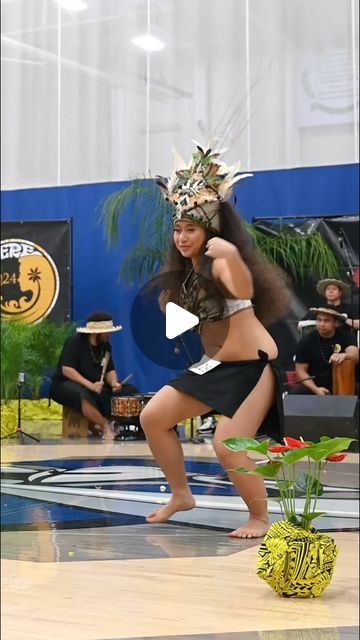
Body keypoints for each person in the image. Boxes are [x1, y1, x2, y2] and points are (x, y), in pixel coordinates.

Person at [140, 143, 292, 538]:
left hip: (253, 367)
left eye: (191, 229)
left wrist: (234, 256)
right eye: (178, 229)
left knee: (227, 443)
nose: (182, 237)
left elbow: (243, 288)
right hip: (216, 366)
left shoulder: (223, 261)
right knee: (153, 417)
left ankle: (260, 517)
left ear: (210, 230)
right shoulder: (187, 278)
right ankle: (180, 494)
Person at [50, 311, 123, 440]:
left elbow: (110, 370)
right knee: (81, 394)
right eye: (107, 331)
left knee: (128, 390)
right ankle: (104, 425)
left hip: (95, 385)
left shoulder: (105, 346)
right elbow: (67, 370)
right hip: (66, 383)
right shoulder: (75, 342)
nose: (110, 334)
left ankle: (101, 423)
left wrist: (114, 383)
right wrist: (90, 385)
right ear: (96, 332)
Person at [291, 306, 358, 395]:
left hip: (343, 382)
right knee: (294, 395)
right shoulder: (306, 341)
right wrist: (315, 389)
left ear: (336, 323)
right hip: (316, 385)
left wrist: (344, 355)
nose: (322, 324)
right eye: (319, 320)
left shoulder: (345, 335)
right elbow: (300, 371)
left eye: (326, 321)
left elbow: (355, 355)